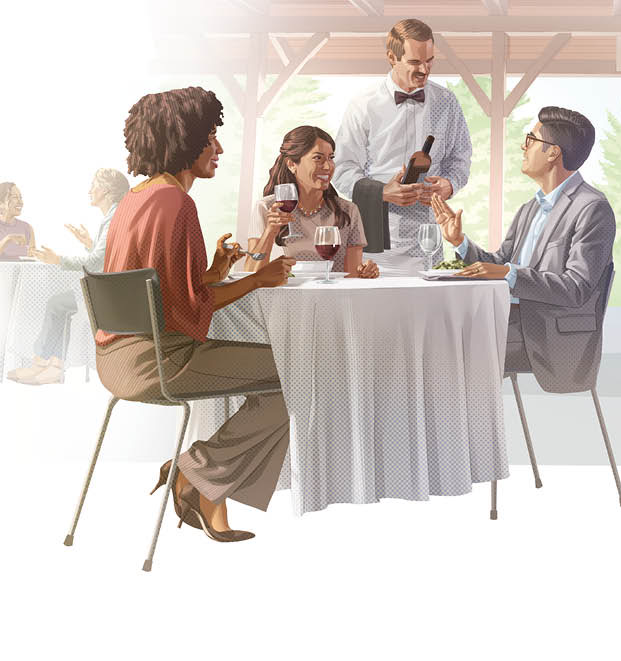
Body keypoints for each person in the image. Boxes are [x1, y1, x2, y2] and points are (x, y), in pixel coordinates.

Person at [97, 86, 296, 542]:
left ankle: (203, 487)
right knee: (294, 376)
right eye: (211, 137)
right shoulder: (176, 203)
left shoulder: (136, 199)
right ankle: (193, 474)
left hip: (118, 361)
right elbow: (187, 313)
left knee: (279, 378)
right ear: (185, 139)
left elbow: (159, 294)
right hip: (161, 362)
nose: (219, 148)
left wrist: (211, 273)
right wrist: (255, 280)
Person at [431, 106, 613, 393]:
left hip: (549, 335)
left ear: (553, 152)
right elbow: (500, 263)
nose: (522, 146)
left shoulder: (592, 208)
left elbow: (576, 288)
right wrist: (459, 242)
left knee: (448, 346)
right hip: (512, 323)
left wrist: (507, 274)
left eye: (530, 139)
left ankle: (474, 436)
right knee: (433, 333)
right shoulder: (531, 208)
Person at [333, 18, 472, 272]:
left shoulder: (447, 102)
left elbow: (460, 158)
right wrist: (382, 192)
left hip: (430, 241)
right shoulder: (363, 104)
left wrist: (449, 184)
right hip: (376, 242)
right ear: (391, 57)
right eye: (415, 62)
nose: (425, 70)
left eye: (429, 61)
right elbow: (342, 168)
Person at [7, 169, 130, 385]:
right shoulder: (114, 216)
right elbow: (106, 257)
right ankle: (50, 364)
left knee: (57, 304)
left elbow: (95, 263)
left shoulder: (113, 218)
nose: (90, 190)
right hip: (113, 290)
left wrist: (58, 260)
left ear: (107, 191)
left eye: (94, 185)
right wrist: (89, 243)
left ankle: (45, 364)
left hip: (109, 295)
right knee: (59, 304)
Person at [245, 125, 379, 278]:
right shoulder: (267, 208)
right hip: (284, 299)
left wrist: (365, 272)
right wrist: (269, 233)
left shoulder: (347, 211)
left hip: (333, 298)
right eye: (318, 158)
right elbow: (249, 275)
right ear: (291, 164)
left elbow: (351, 276)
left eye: (331, 158)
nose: (328, 166)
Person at [0, 182, 34, 259]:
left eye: (20, 198)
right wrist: (7, 239)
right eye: (15, 197)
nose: (20, 202)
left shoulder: (27, 227)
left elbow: (32, 259)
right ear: (1, 203)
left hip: (21, 271)